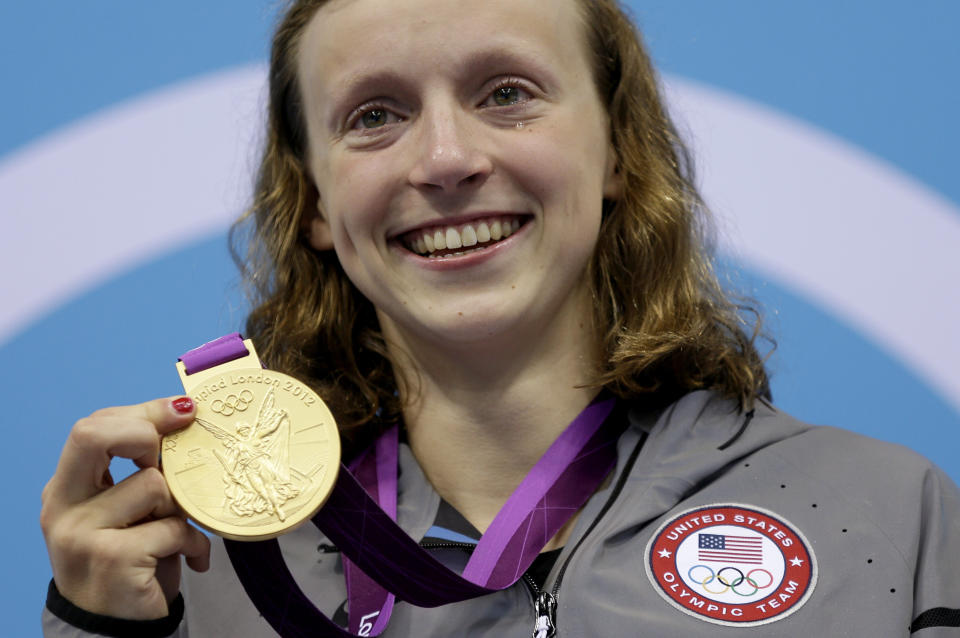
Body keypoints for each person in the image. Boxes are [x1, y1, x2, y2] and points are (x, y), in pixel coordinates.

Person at [41, 0, 960, 636]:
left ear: (617, 154)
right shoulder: (206, 569)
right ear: (314, 199)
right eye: (375, 115)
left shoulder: (884, 517)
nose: (445, 159)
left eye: (507, 94)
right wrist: (99, 631)